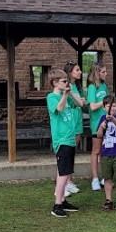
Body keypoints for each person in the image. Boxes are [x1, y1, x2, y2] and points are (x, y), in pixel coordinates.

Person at [47, 69, 84, 217]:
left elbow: (80, 104)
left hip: (70, 139)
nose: (67, 83)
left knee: (65, 171)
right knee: (63, 173)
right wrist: (65, 95)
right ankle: (57, 205)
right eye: (64, 81)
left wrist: (71, 93)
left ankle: (62, 201)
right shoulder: (51, 97)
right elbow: (59, 108)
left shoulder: (66, 95)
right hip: (62, 140)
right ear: (55, 83)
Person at [95, 95, 116, 211]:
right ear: (104, 107)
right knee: (107, 178)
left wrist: (112, 119)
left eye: (114, 106)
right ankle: (108, 200)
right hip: (106, 153)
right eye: (109, 106)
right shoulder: (102, 118)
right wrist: (101, 127)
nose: (112, 108)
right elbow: (99, 135)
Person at [63, 61, 86, 196]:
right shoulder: (65, 86)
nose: (80, 72)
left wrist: (81, 100)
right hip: (69, 120)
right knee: (66, 153)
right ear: (70, 72)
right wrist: (79, 100)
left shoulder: (77, 86)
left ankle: (69, 181)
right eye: (77, 70)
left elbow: (79, 102)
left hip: (77, 120)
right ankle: (63, 183)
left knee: (73, 151)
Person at [86, 61, 109, 191]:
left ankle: (105, 176)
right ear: (97, 73)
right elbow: (93, 106)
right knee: (96, 151)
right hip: (96, 123)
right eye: (103, 72)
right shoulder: (92, 87)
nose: (106, 74)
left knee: (105, 150)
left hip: (106, 121)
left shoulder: (104, 86)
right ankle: (95, 178)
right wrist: (104, 101)